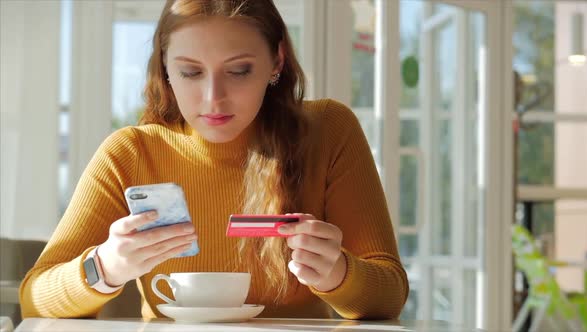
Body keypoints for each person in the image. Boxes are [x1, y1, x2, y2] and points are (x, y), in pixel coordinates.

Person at [20, 0, 408, 320]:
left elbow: (390, 293)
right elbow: (33, 298)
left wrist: (338, 272)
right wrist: (104, 268)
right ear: (166, 70)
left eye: (239, 71)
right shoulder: (130, 152)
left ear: (277, 61)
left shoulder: (328, 130)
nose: (213, 99)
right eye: (190, 72)